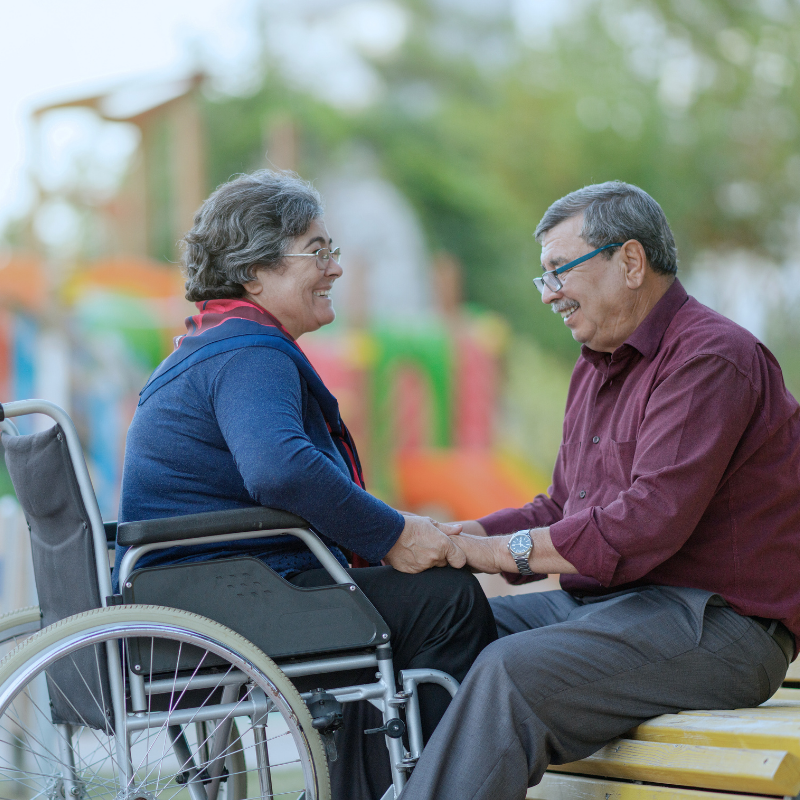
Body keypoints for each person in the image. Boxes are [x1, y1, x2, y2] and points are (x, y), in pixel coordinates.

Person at [402, 181, 800, 800]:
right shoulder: (597, 364)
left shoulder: (711, 358)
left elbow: (646, 524)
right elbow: (564, 506)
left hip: (718, 625)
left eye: (560, 270)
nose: (550, 293)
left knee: (511, 674)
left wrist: (490, 555)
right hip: (615, 608)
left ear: (631, 262)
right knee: (436, 637)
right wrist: (463, 534)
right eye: (544, 277)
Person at [113, 169, 497, 799]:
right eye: (317, 252)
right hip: (228, 601)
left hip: (195, 595)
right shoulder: (250, 353)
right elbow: (280, 467)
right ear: (254, 272)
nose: (335, 268)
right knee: (445, 601)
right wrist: (394, 535)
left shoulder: (207, 346)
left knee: (388, 602)